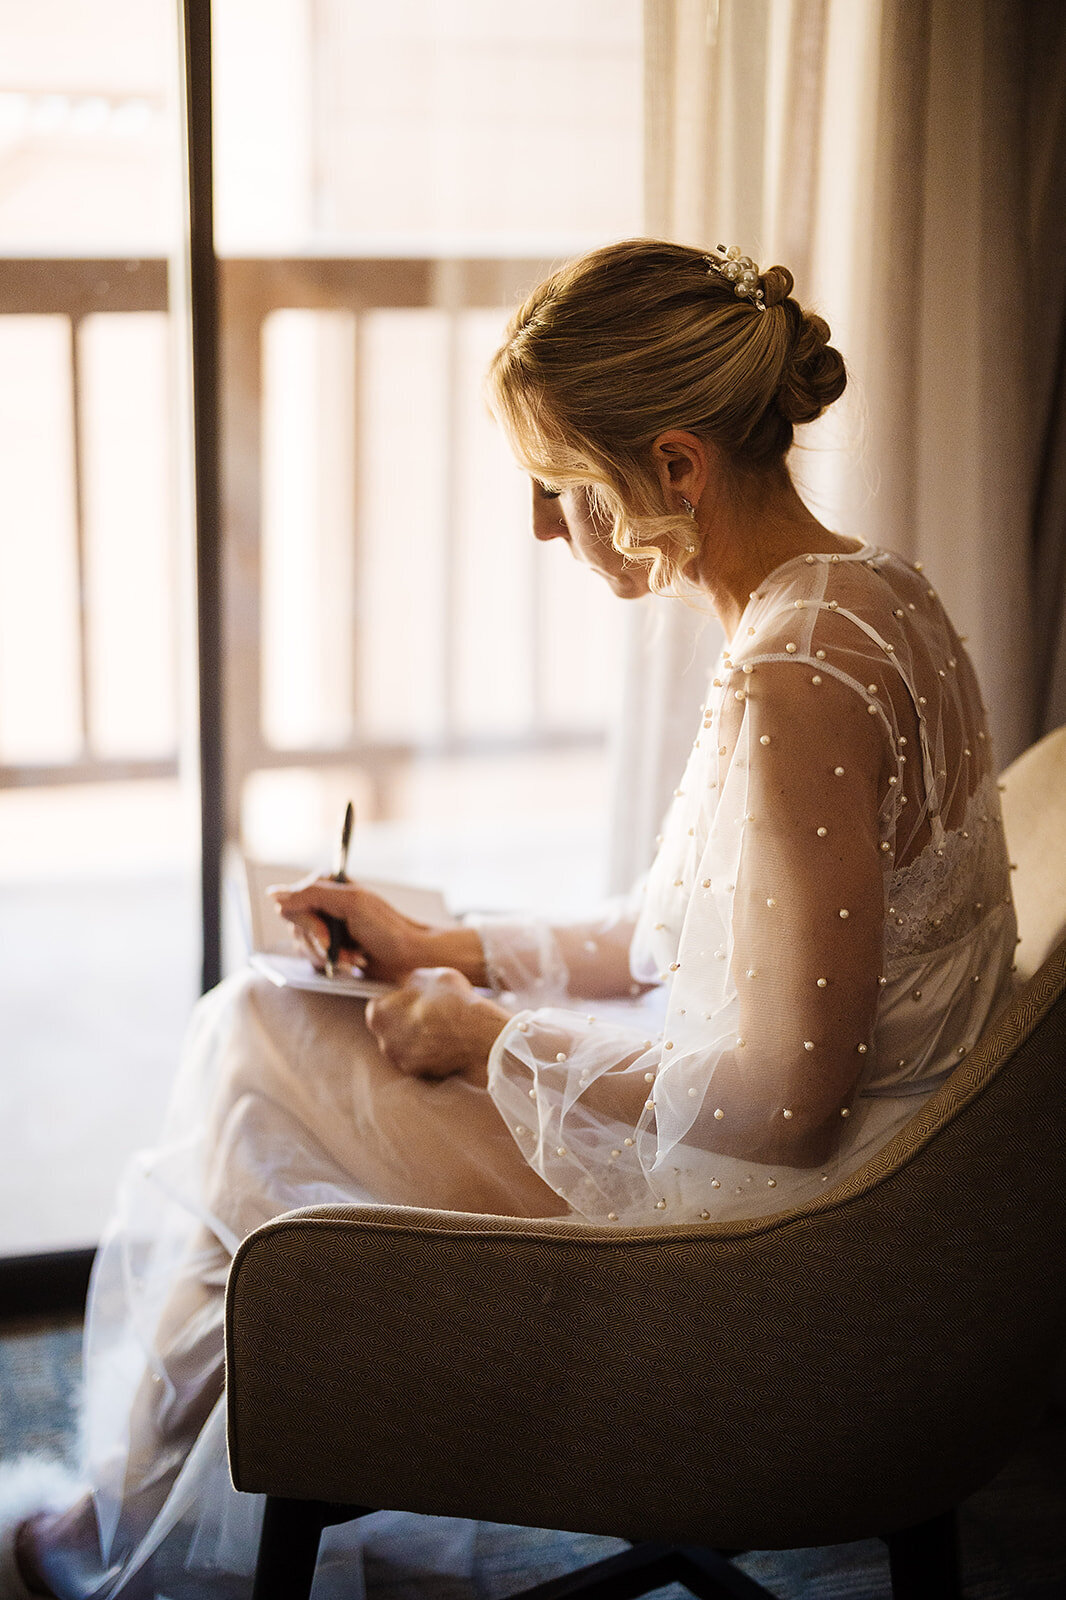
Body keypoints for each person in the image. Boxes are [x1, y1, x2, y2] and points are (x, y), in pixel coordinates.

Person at [2, 238, 1016, 1597]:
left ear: (668, 467)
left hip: (773, 1247)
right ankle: (158, 1502)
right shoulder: (862, 597)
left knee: (262, 1048)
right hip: (828, 1196)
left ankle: (160, 1524)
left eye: (558, 487)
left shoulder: (794, 684)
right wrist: (441, 949)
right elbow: (680, 939)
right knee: (283, 1023)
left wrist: (489, 1038)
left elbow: (787, 1101)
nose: (545, 529)